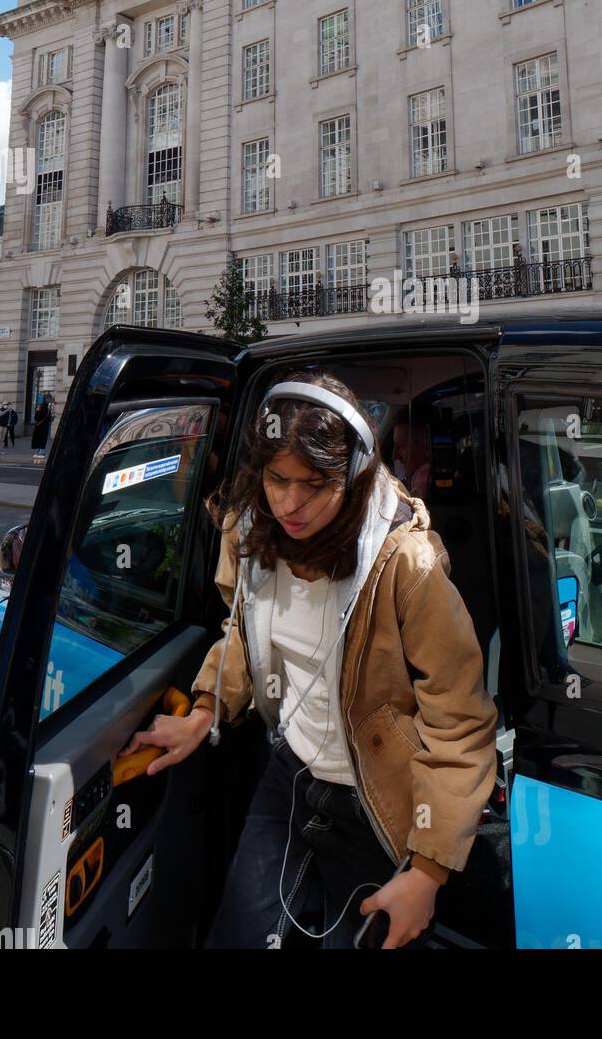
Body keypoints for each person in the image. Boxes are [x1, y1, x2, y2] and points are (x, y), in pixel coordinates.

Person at [120, 372, 497, 950]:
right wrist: (206, 710)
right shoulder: (251, 530)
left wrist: (428, 871)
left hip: (379, 804)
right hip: (289, 778)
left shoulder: (406, 564)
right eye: (276, 479)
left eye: (314, 484)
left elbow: (461, 721)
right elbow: (244, 631)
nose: (289, 503)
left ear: (352, 473)